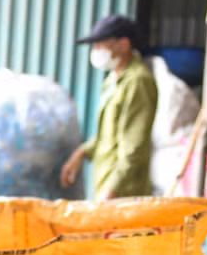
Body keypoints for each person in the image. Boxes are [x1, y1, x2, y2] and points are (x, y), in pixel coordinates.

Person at [60, 13, 158, 201]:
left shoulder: (137, 81)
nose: (96, 51)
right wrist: (81, 153)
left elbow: (134, 146)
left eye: (101, 45)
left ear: (124, 45)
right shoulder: (113, 80)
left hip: (125, 193)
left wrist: (113, 188)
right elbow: (107, 134)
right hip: (106, 184)